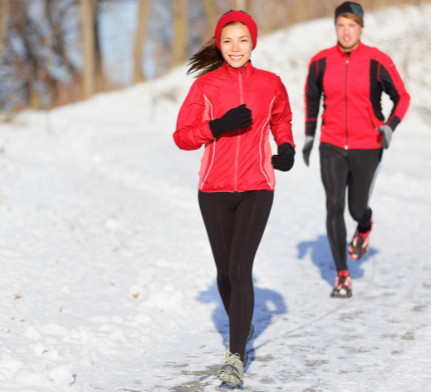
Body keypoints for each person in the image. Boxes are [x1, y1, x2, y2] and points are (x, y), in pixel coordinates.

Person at [173, 10, 295, 388]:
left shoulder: (271, 83)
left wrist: (287, 147)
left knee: (241, 269)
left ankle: (235, 356)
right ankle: (243, 325)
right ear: (219, 45)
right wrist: (218, 126)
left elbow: (281, 119)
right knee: (225, 272)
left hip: (258, 185)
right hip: (213, 190)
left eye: (242, 39)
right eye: (227, 41)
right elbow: (182, 136)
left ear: (253, 42)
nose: (235, 47)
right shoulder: (206, 87)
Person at [302, 2, 410, 298]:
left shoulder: (377, 61)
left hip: (367, 146)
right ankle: (342, 275)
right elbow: (312, 97)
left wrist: (389, 126)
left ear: (361, 27)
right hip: (332, 144)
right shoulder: (321, 62)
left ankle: (364, 225)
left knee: (355, 208)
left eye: (352, 25)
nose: (346, 31)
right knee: (334, 205)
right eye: (341, 25)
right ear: (335, 27)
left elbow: (402, 97)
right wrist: (310, 136)